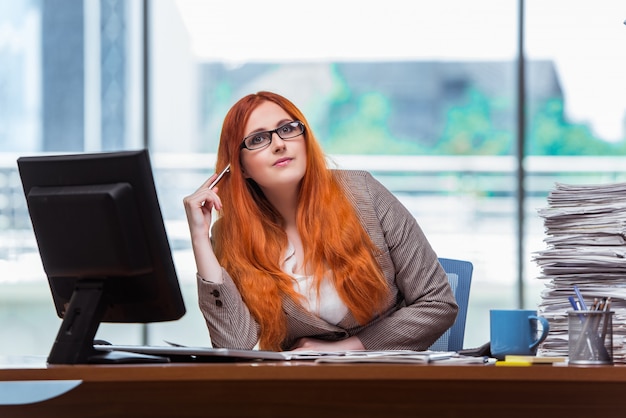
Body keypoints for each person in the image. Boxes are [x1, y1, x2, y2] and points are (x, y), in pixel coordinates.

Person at [183, 91, 458, 352]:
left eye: (287, 129)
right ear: (240, 167)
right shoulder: (231, 235)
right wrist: (199, 236)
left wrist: (344, 349)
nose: (279, 144)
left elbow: (438, 303)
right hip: (302, 390)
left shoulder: (362, 192)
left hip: (386, 380)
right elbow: (234, 346)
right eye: (257, 139)